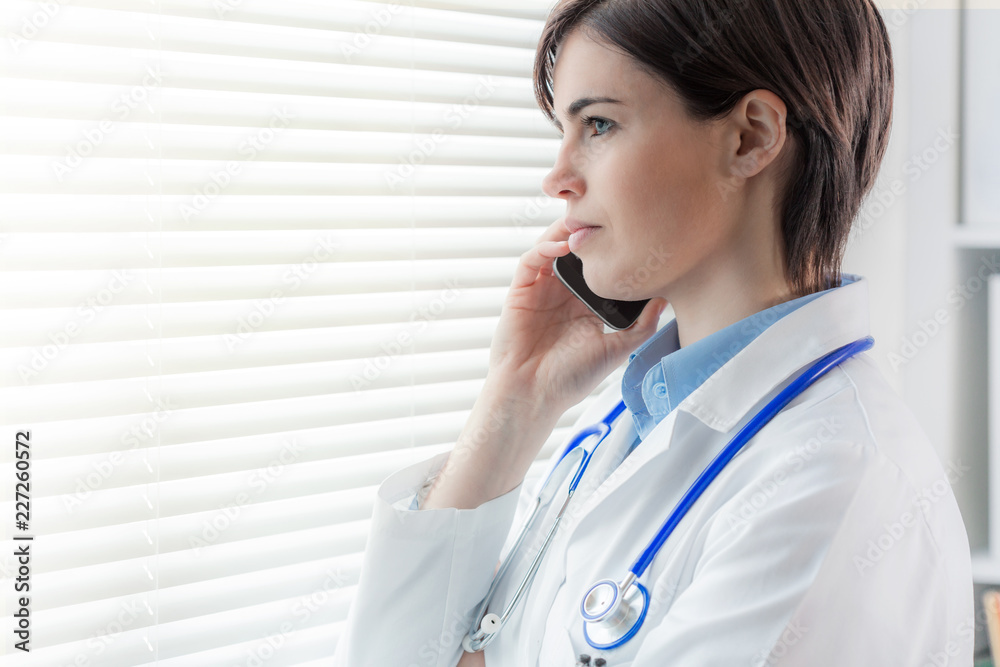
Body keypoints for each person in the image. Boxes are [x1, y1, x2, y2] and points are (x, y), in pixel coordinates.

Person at [333, 0, 973, 665]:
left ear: (750, 138)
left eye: (600, 124)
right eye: (563, 130)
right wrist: (517, 398)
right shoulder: (634, 423)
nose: (556, 178)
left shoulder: (834, 485)